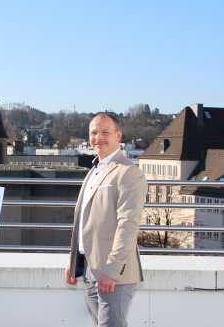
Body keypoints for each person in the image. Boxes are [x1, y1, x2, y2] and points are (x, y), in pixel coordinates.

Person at [65, 112, 147, 327]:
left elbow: (128, 225)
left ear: (118, 135)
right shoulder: (94, 171)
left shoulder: (128, 172)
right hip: (89, 268)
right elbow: (83, 221)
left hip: (112, 271)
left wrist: (112, 271)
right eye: (93, 132)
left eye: (105, 132)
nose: (98, 137)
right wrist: (73, 262)